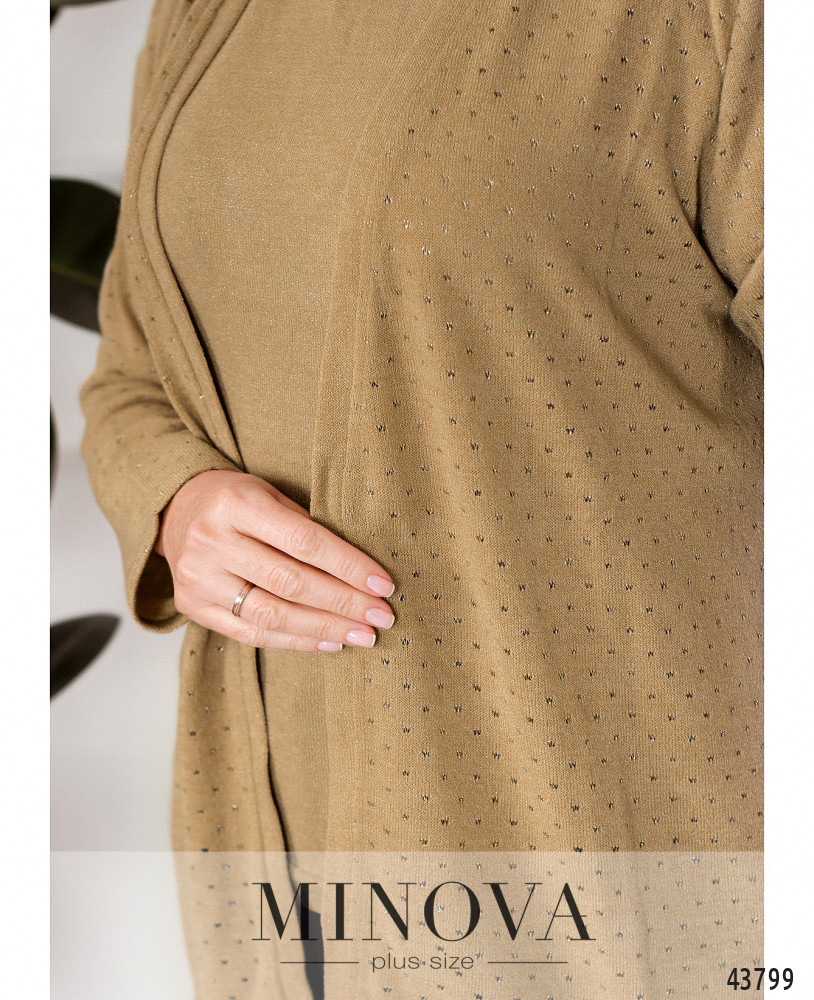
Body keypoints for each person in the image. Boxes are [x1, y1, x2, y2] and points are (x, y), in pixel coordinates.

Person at [80, 0, 764, 996]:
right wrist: (171, 501)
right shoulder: (200, 11)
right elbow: (128, 374)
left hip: (607, 864)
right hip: (279, 864)